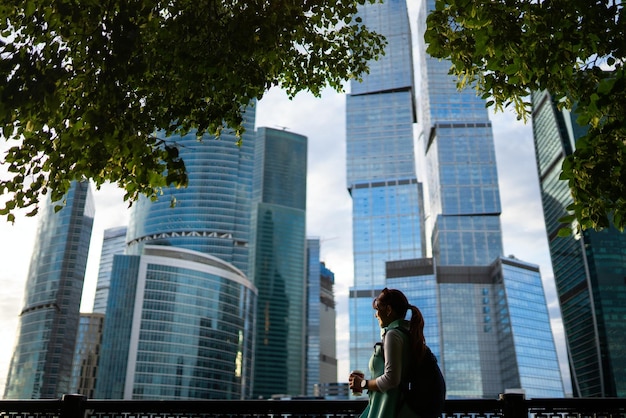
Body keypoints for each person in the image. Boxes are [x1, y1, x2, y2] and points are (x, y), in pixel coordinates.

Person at [349, 288, 425, 418]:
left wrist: (362, 383)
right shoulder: (406, 334)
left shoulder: (393, 334)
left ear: (388, 310)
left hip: (388, 407)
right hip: (393, 406)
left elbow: (391, 379)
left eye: (378, 309)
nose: (376, 314)